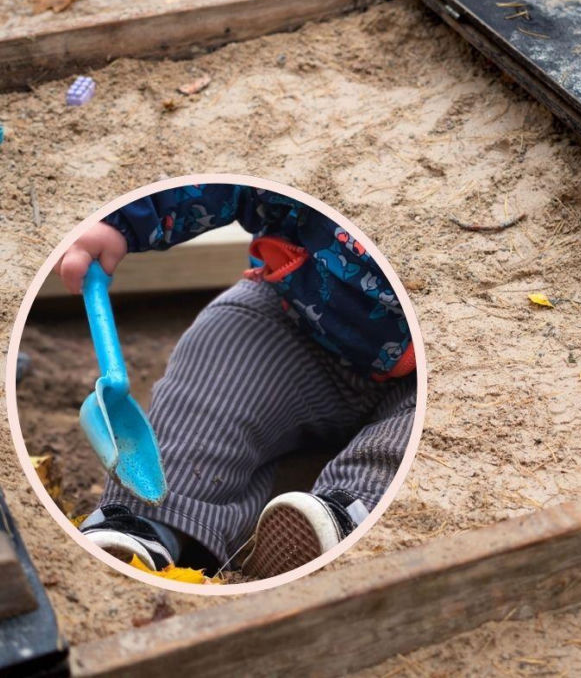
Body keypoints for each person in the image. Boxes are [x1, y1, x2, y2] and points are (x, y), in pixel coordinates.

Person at [58, 184, 416, 579]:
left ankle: (341, 516)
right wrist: (124, 220)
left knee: (414, 445)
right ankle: (144, 521)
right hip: (298, 317)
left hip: (426, 378)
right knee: (210, 378)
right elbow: (236, 181)